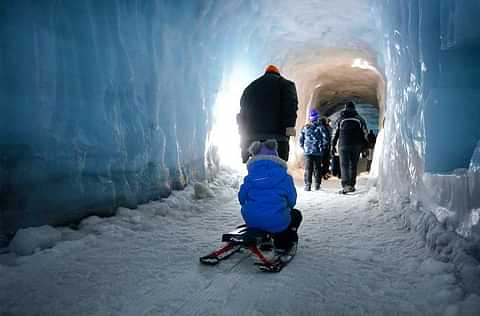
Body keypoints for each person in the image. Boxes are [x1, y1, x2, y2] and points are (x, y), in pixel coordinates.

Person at [238, 139, 302, 254]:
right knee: (295, 215)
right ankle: (284, 241)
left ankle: (261, 235)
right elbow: (292, 201)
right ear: (276, 157)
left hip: (252, 220)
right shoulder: (285, 177)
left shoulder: (249, 178)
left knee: (260, 216)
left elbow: (241, 199)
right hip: (277, 222)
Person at [237, 65, 298, 163]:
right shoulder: (286, 85)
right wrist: (289, 132)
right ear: (278, 73)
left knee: (256, 170)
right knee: (276, 170)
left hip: (252, 139)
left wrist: (244, 146)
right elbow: (290, 108)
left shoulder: (250, 87)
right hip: (277, 138)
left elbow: (242, 115)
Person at [331, 101, 368, 194]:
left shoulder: (340, 119)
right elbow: (365, 133)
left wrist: (332, 145)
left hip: (343, 144)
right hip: (356, 145)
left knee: (344, 166)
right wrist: (365, 146)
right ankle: (351, 185)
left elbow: (335, 133)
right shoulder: (360, 119)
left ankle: (346, 185)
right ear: (354, 109)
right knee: (353, 165)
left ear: (345, 108)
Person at [299, 109, 330, 191]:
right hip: (318, 152)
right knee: (317, 168)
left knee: (308, 168)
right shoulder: (321, 127)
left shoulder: (305, 127)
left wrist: (304, 147)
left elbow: (301, 139)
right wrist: (323, 147)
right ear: (317, 117)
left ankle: (307, 185)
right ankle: (317, 185)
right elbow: (325, 138)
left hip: (308, 152)